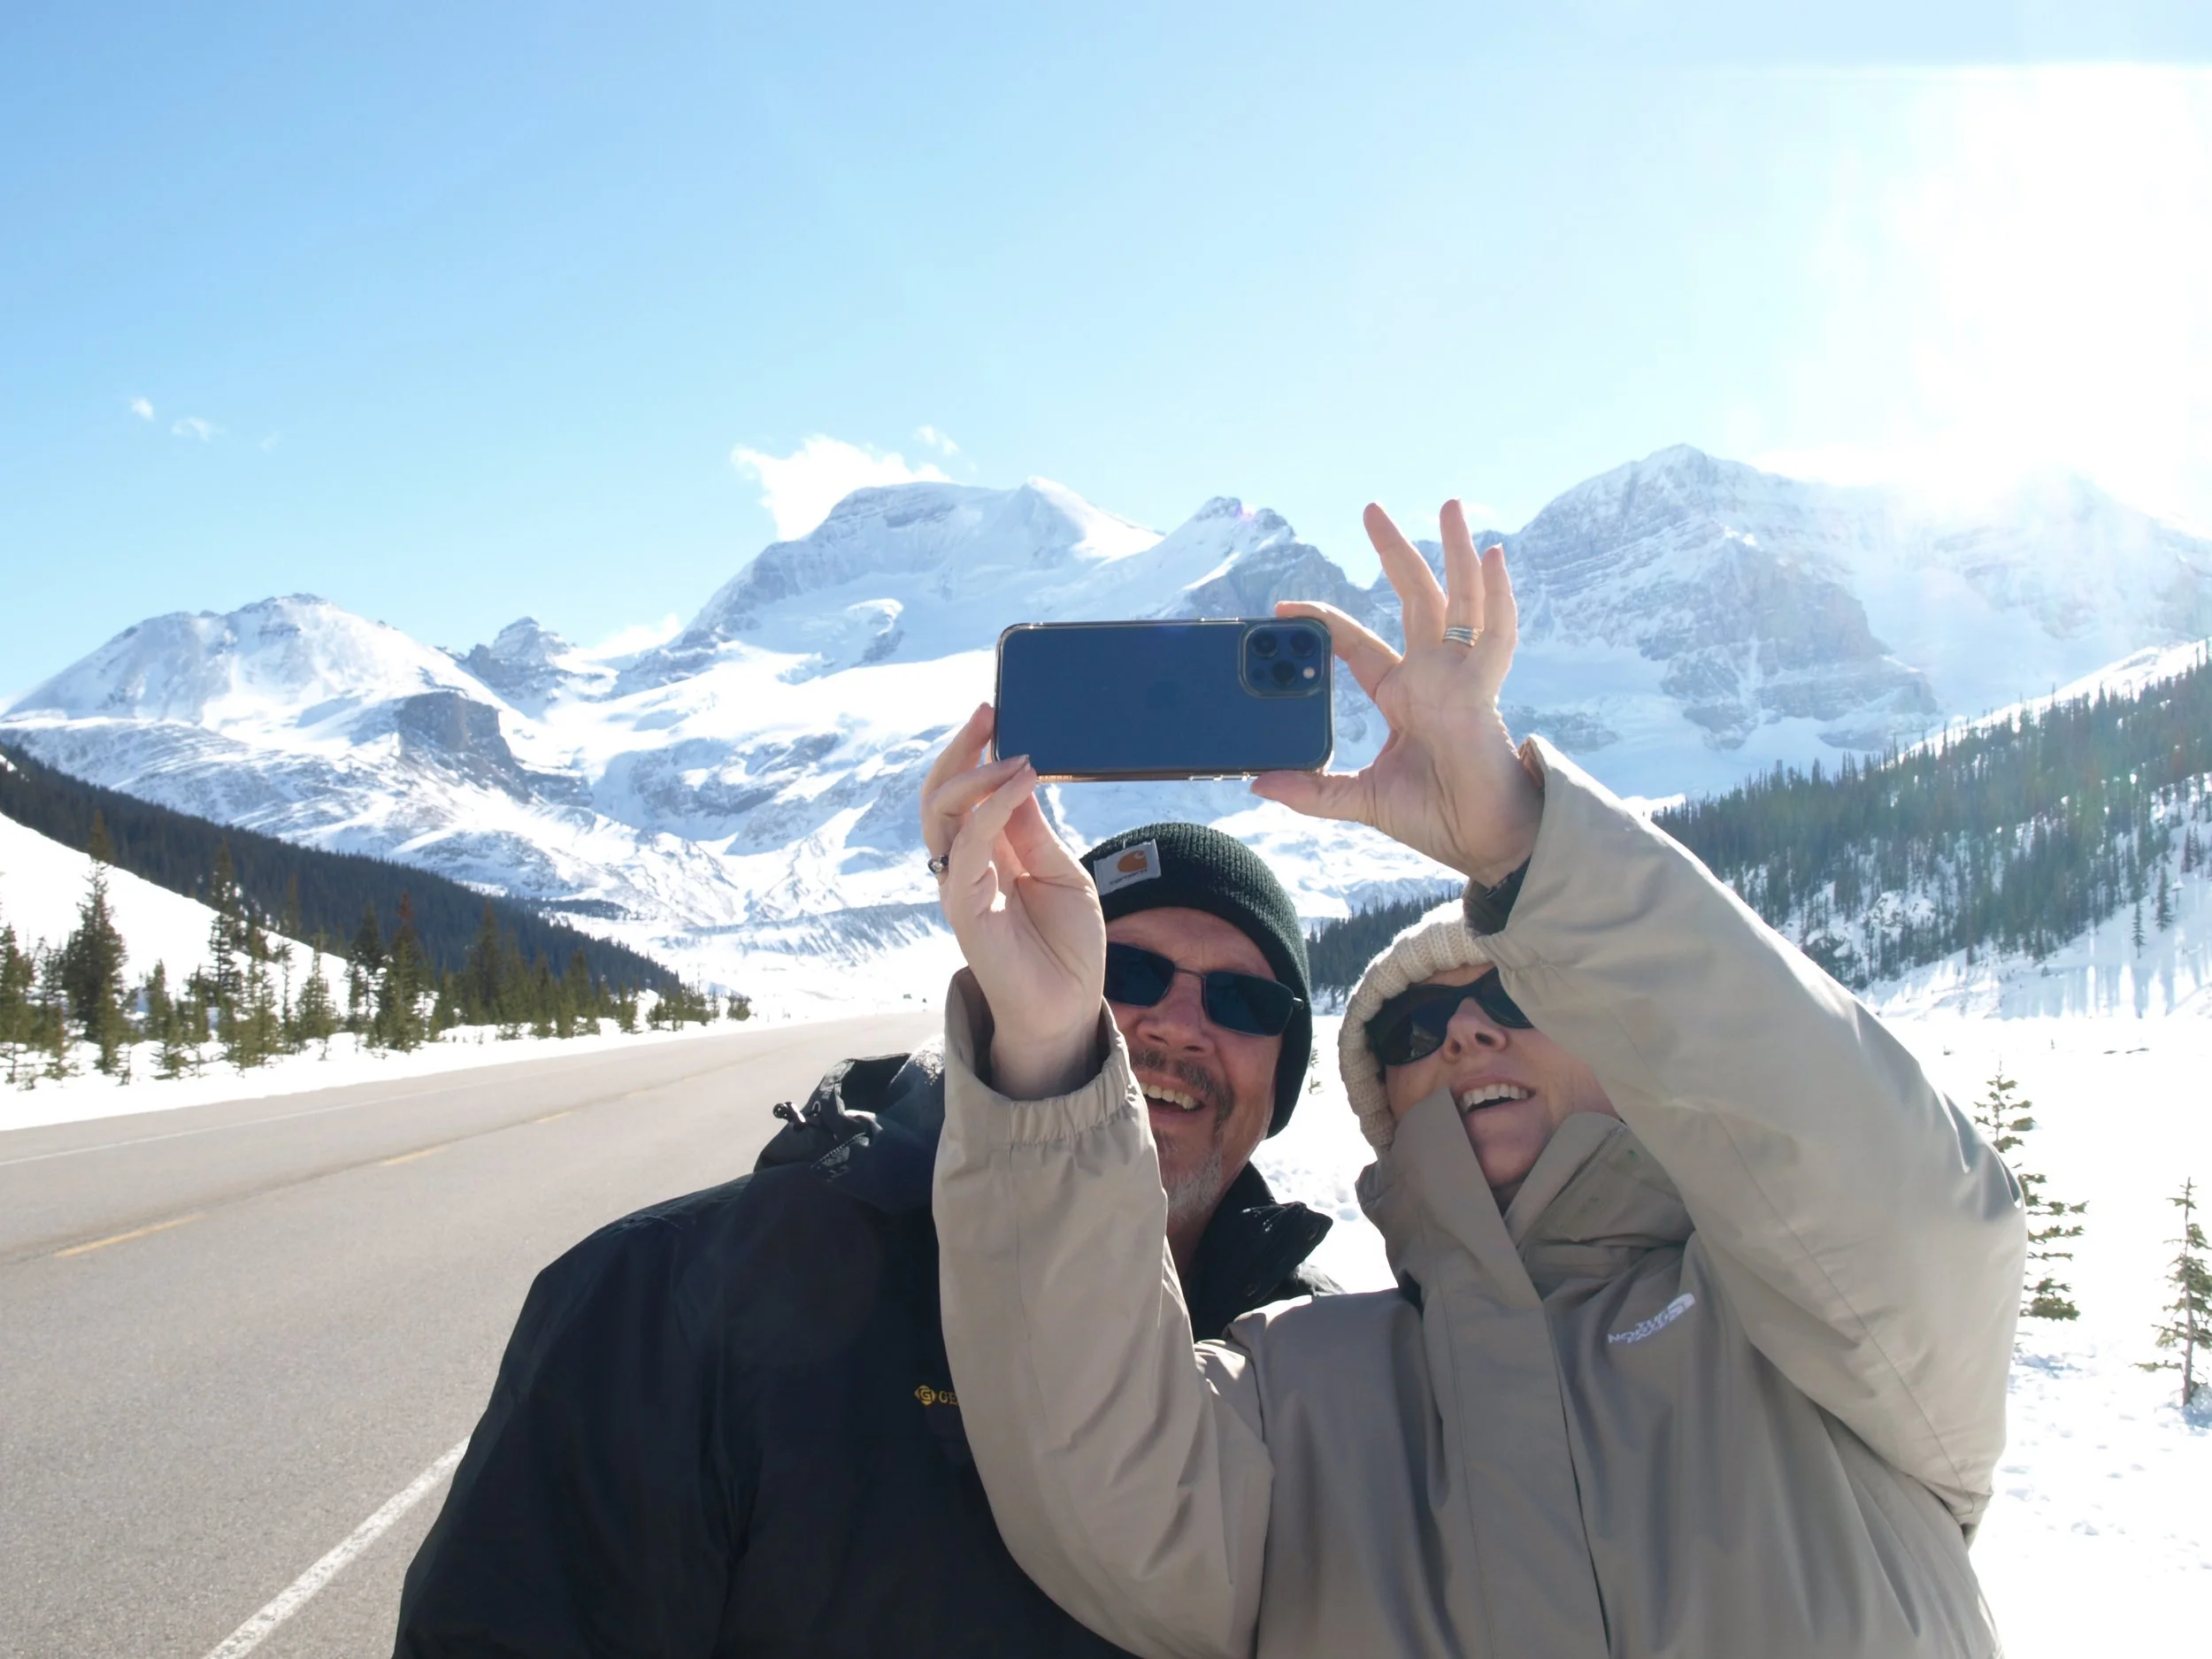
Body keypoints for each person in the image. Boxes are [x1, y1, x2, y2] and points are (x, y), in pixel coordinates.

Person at [925, 499, 2026, 1659]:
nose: (1465, 1036)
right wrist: (1049, 1054)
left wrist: (1521, 846)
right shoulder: (1291, 1378)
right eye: (1413, 1032)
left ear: (1621, 1042)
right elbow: (1103, 1502)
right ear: (1383, 1114)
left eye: (1515, 998)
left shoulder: (1813, 1332)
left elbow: (1883, 1174)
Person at [390, 821, 1335, 1658]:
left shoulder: (1326, 1365)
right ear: (1030, 983)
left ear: (1283, 1073)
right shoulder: (682, 1297)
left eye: (1245, 1004)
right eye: (1126, 972)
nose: (1179, 1024)